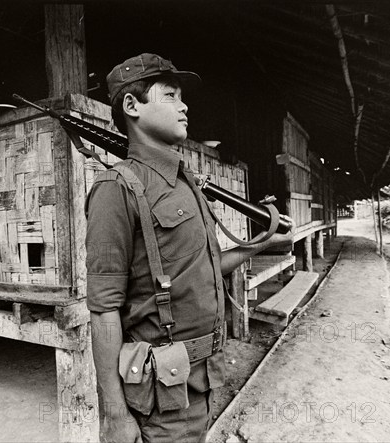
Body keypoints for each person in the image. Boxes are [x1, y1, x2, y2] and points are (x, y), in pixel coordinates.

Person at [85, 53, 293, 443]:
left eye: (182, 97)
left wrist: (261, 242)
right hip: (159, 396)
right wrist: (113, 414)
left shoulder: (187, 184)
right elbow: (103, 307)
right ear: (132, 106)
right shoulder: (116, 189)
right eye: (170, 95)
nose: (183, 106)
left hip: (203, 378)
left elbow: (209, 265)